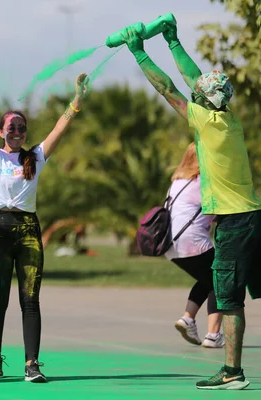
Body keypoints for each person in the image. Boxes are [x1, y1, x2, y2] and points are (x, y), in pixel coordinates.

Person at [123, 21, 261, 390]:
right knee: (235, 290)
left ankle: (232, 372)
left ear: (203, 101)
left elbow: (169, 87)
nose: (196, 93)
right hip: (249, 216)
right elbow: (196, 80)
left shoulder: (207, 124)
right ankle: (232, 368)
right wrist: (173, 40)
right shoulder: (226, 118)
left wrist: (138, 51)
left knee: (229, 299)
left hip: (235, 222)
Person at [0, 70, 89, 383]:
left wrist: (77, 99)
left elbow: (61, 126)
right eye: (11, 128)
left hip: (28, 231)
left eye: (21, 128)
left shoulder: (35, 157)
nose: (16, 132)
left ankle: (32, 364)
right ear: (1, 132)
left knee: (30, 300)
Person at [165, 143, 223, 348]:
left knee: (207, 277)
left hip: (170, 246)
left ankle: (187, 319)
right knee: (220, 279)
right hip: (192, 242)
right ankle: (213, 335)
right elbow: (218, 212)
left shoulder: (177, 182)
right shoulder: (203, 182)